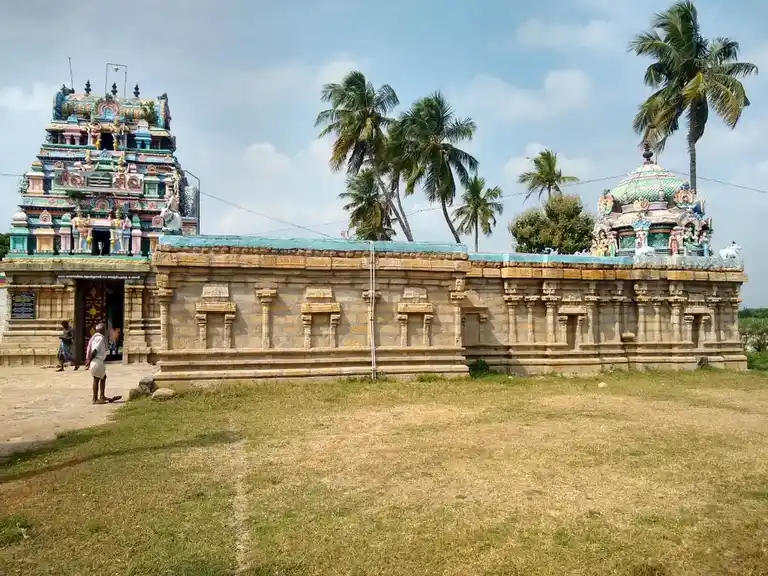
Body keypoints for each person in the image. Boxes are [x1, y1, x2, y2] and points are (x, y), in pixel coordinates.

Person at [85, 323, 121, 404]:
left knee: (103, 377)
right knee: (96, 379)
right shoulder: (99, 338)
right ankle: (95, 399)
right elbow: (95, 350)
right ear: (101, 330)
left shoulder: (94, 337)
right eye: (104, 329)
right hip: (96, 360)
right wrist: (88, 361)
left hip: (97, 361)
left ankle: (102, 396)